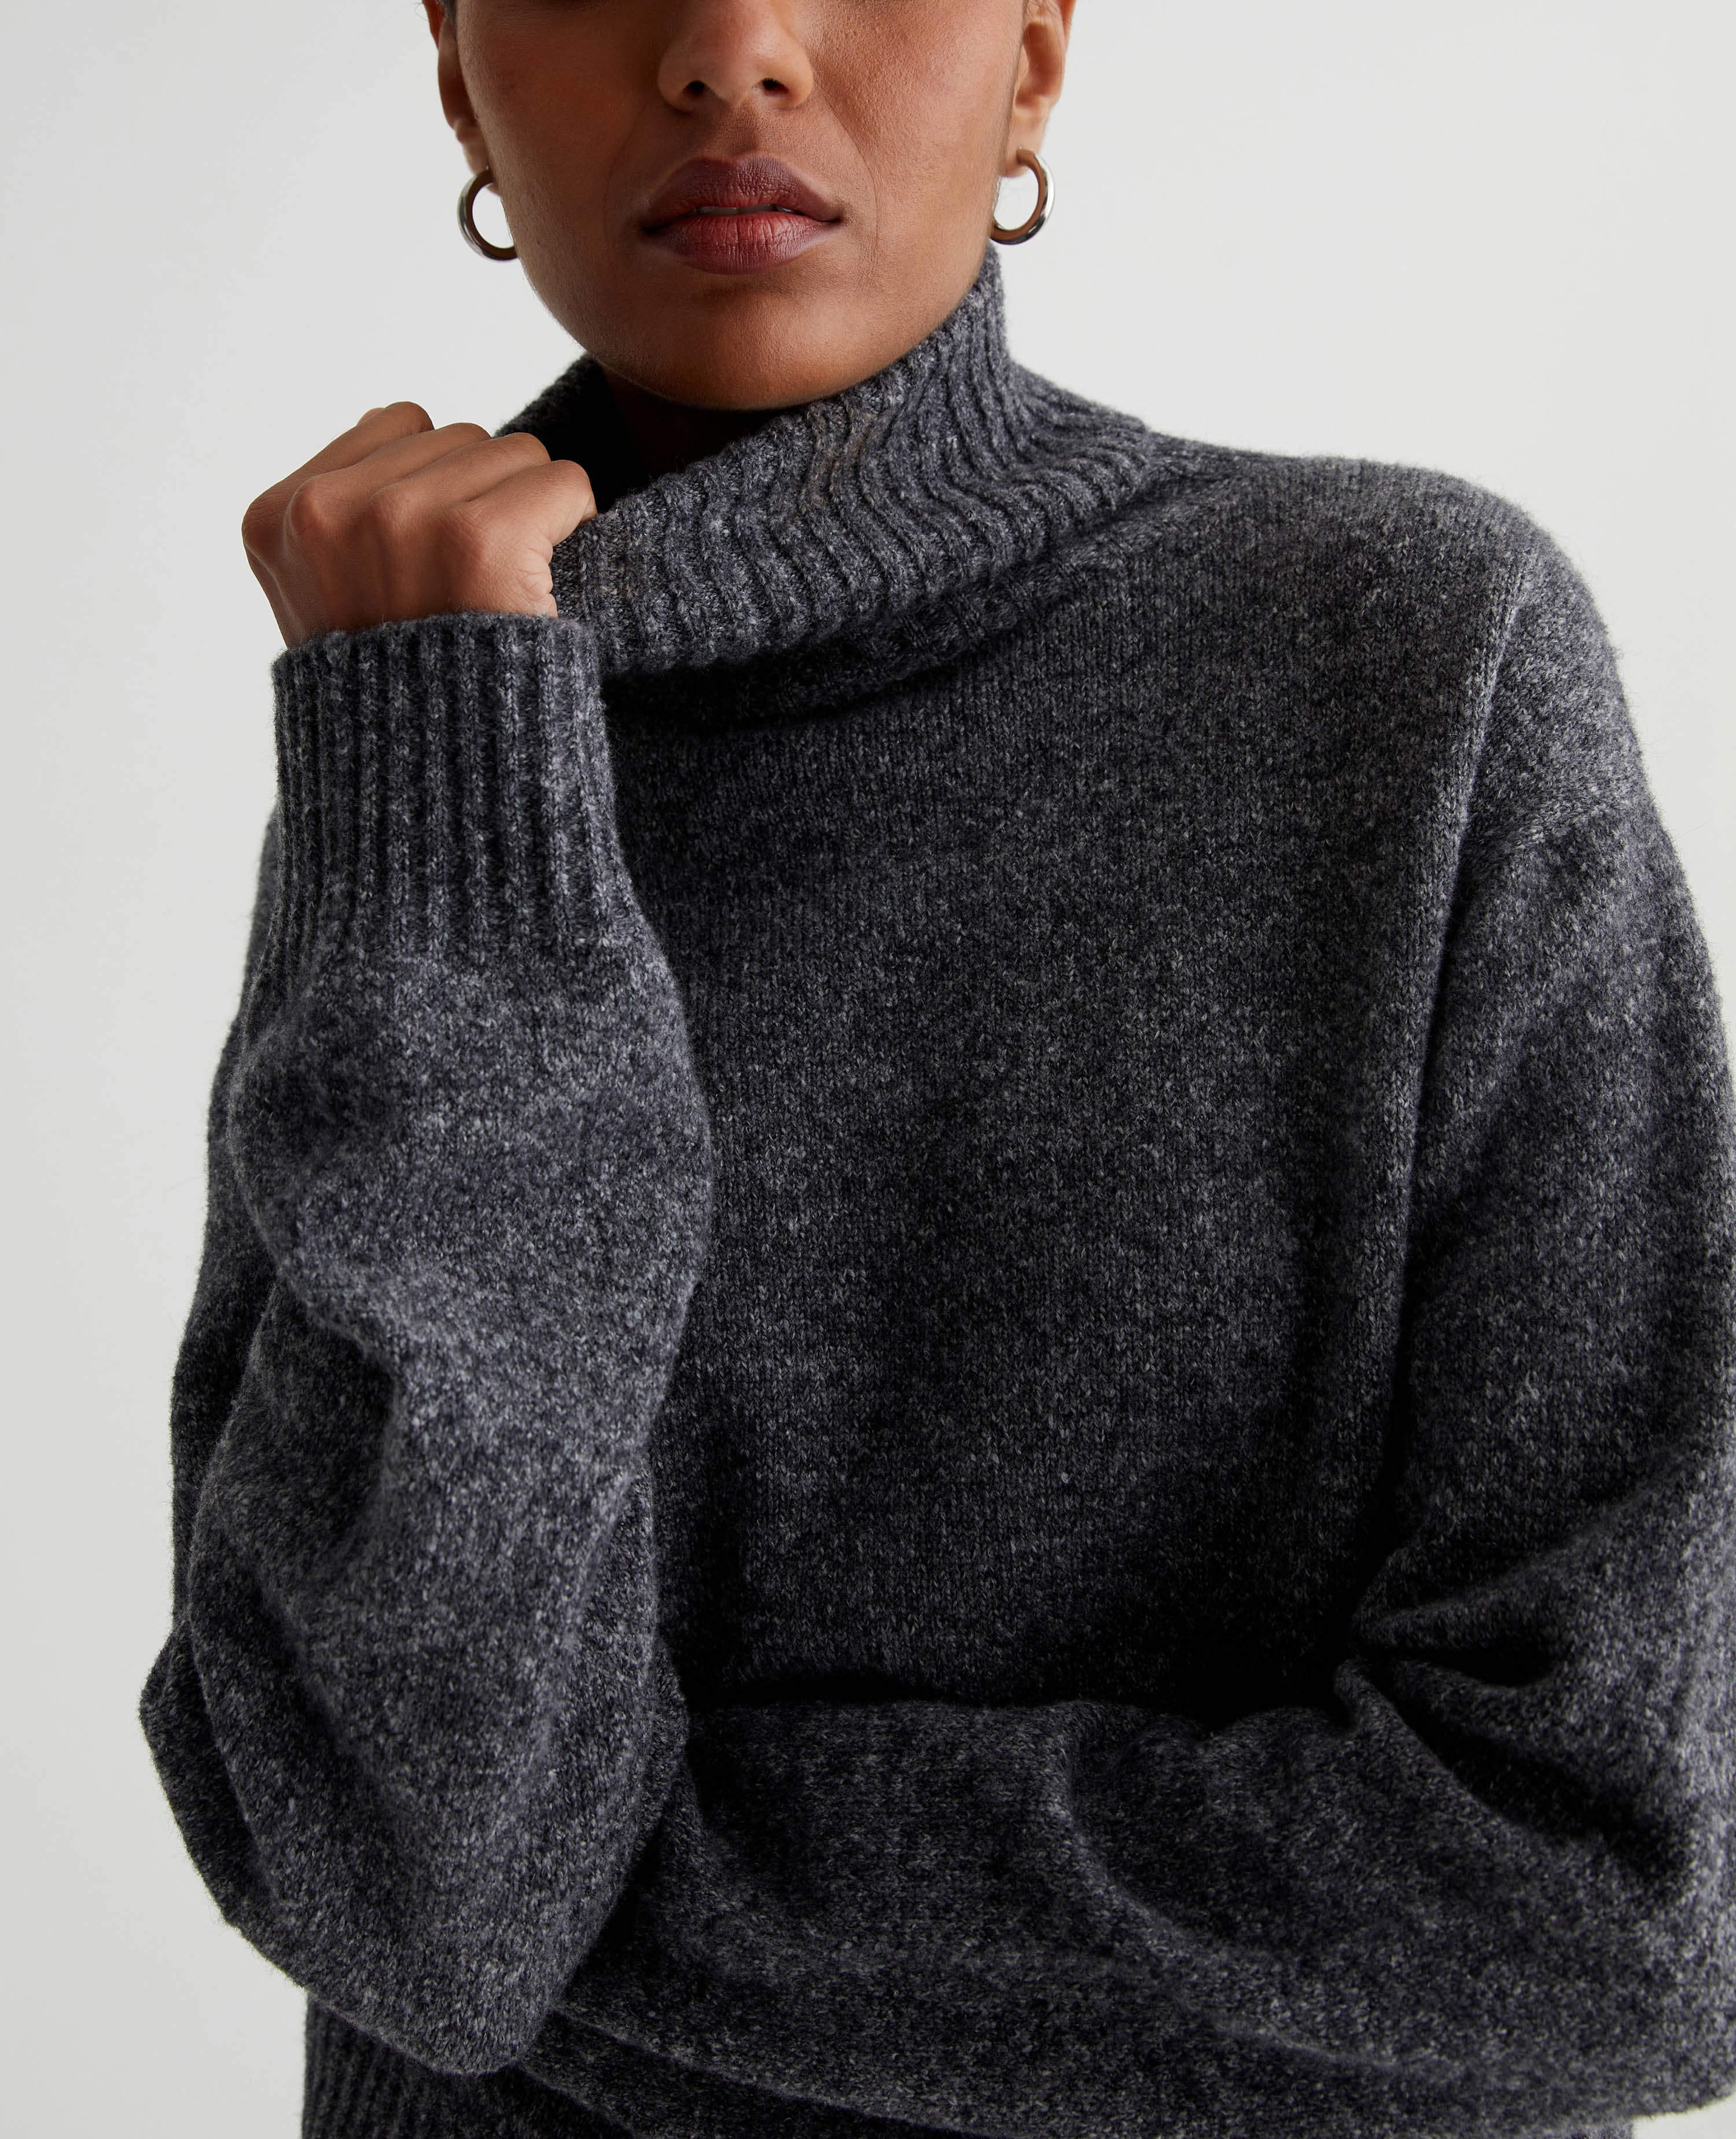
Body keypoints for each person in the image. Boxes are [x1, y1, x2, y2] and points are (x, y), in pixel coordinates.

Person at [138, 3, 1736, 2136]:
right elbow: (401, 1883)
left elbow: (1629, 1895)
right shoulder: (448, 730)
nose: (731, 50)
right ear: (458, 74)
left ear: (1037, 55)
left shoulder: (1416, 664)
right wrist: (440, 767)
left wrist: (580, 1901)